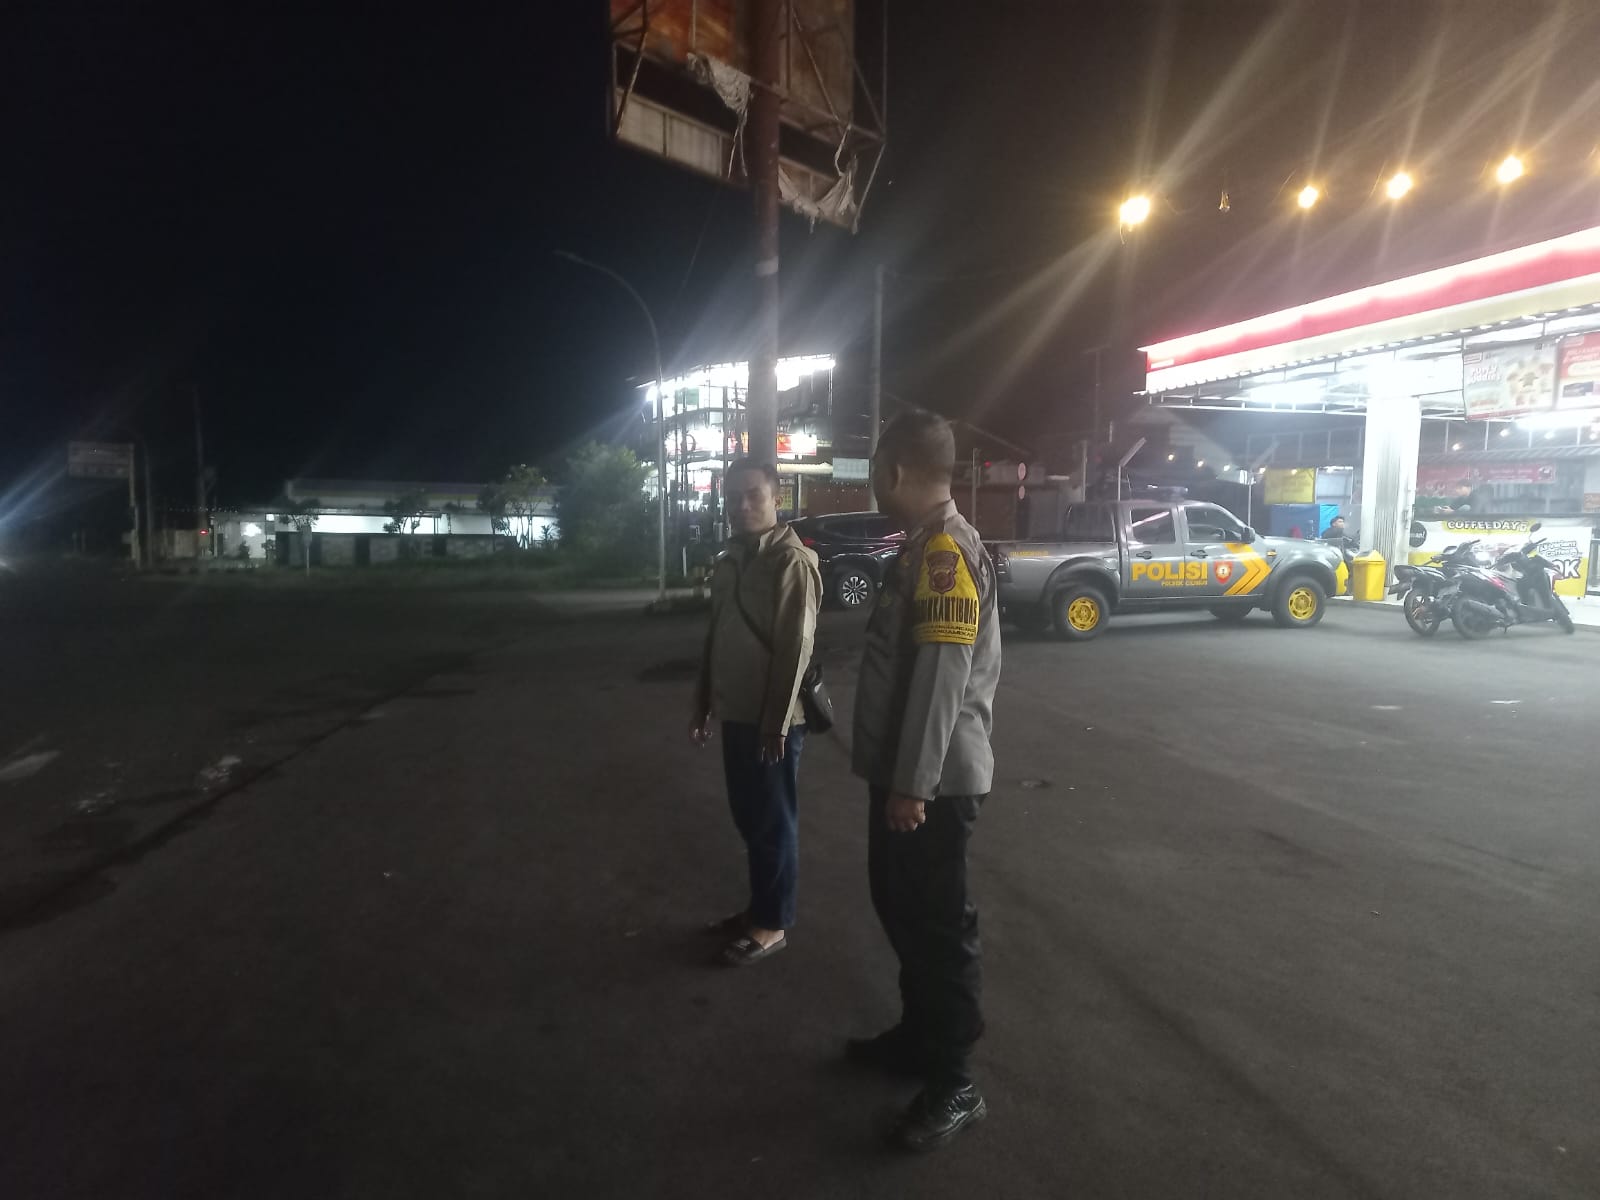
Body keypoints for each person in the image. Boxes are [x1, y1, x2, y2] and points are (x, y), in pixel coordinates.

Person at [847, 411, 1002, 1153]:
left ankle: (955, 1081)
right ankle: (918, 1038)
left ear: (896, 472)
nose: (875, 485)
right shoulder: (921, 545)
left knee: (938, 927)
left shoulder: (944, 554)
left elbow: (943, 676)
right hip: (910, 777)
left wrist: (912, 784)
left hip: (932, 783)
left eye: (877, 473)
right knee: (902, 908)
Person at [691, 459, 822, 967]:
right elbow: (716, 636)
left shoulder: (791, 562)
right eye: (732, 497)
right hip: (737, 712)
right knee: (749, 818)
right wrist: (703, 703)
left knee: (772, 821)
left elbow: (795, 649)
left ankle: (772, 923)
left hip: (774, 724)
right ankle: (758, 908)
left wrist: (776, 724)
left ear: (776, 498)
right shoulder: (730, 560)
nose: (741, 506)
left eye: (753, 495)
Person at [1321, 515, 1356, 595]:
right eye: (1340, 522)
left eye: (1343, 522)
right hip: (1333, 556)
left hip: (1341, 554)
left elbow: (1350, 539)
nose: (1342, 523)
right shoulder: (1329, 531)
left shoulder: (1341, 532)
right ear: (1333, 524)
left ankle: (1347, 589)